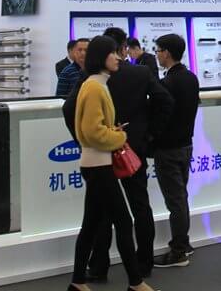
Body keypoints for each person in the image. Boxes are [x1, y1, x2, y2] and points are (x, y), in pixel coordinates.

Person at [68, 28, 172, 281]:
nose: (117, 56)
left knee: (101, 214)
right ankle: (143, 265)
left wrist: (82, 141)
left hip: (103, 153)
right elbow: (165, 101)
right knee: (138, 207)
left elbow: (69, 108)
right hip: (129, 150)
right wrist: (147, 135)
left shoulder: (90, 79)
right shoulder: (135, 74)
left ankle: (98, 267)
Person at [151, 33, 199, 268]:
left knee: (175, 200)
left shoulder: (167, 83)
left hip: (168, 148)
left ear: (167, 53)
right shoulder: (191, 78)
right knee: (181, 196)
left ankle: (178, 250)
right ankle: (184, 243)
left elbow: (160, 116)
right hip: (185, 145)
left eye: (158, 50)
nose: (157, 55)